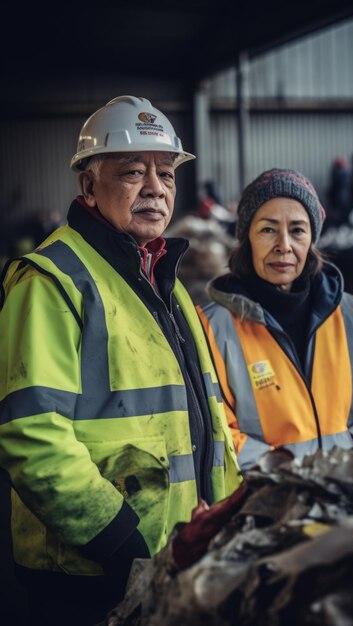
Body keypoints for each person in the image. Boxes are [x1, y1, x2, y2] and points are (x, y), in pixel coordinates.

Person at [0, 95, 241, 625]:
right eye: (134, 172)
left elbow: (206, 418)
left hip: (177, 557)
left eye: (167, 175)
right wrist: (123, 548)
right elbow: (32, 437)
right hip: (92, 576)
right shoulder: (52, 281)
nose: (156, 188)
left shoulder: (166, 281)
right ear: (88, 186)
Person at [197, 168, 353, 471]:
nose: (284, 245)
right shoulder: (212, 328)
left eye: (298, 230)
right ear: (247, 238)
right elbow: (218, 431)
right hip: (267, 503)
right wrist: (286, 474)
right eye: (268, 229)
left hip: (345, 493)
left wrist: (349, 463)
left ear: (312, 237)